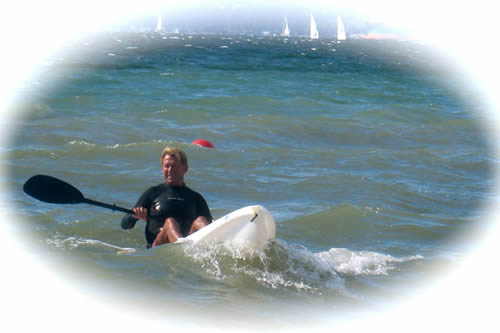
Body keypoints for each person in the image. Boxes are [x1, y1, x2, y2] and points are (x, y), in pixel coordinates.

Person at [121, 147, 212, 248]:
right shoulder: (153, 193)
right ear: (162, 168)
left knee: (201, 220)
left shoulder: (196, 198)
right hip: (158, 246)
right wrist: (134, 216)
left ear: (185, 168)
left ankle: (211, 249)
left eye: (174, 166)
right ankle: (183, 249)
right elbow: (124, 224)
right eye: (166, 166)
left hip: (188, 242)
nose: (170, 170)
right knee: (170, 222)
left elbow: (211, 226)